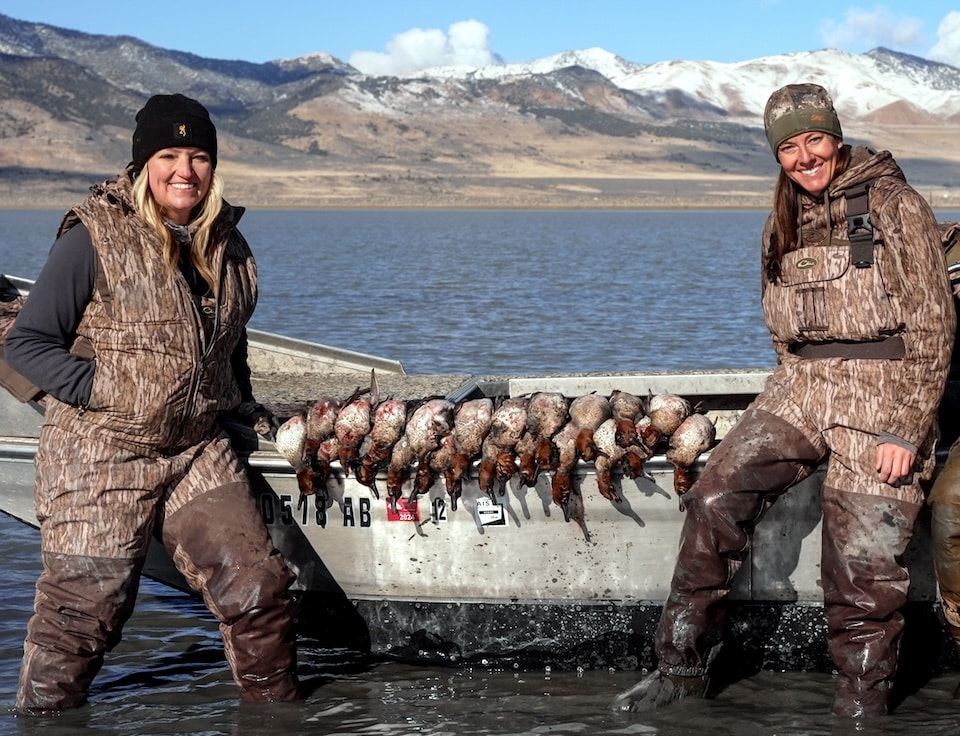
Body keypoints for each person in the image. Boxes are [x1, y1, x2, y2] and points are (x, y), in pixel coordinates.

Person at [611, 83, 956, 718]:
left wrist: (906, 430)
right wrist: (792, 390)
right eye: (789, 148)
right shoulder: (782, 218)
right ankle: (680, 669)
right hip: (801, 388)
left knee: (859, 566)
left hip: (885, 395)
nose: (804, 157)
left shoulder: (895, 204)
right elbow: (779, 327)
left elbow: (935, 324)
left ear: (836, 138)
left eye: (815, 139)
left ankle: (861, 710)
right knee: (712, 497)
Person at [5, 93, 301, 713]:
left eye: (198, 157)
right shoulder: (94, 236)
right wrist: (101, 392)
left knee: (259, 590)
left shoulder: (229, 244)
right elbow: (28, 344)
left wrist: (243, 403)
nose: (184, 171)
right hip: (102, 449)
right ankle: (45, 724)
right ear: (143, 164)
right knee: (82, 616)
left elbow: (229, 341)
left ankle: (278, 719)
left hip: (195, 448)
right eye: (169, 155)